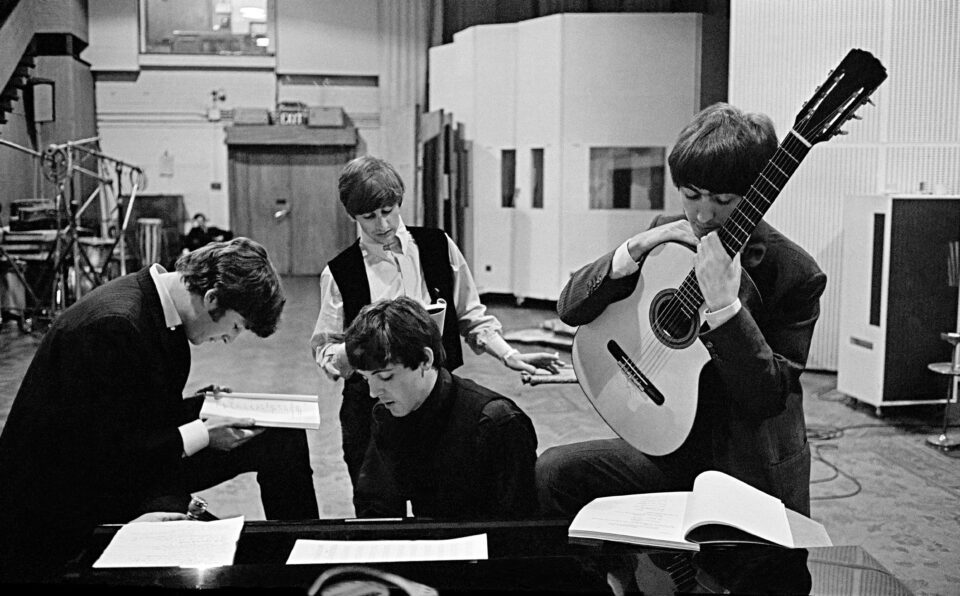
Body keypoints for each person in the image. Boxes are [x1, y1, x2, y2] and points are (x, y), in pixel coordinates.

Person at [536, 103, 827, 518]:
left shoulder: (795, 273)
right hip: (665, 439)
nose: (703, 215)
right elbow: (570, 308)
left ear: (754, 196)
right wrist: (636, 246)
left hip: (744, 462)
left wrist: (725, 308)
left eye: (723, 200)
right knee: (553, 473)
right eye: (691, 195)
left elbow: (765, 398)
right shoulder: (668, 233)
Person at [0, 238, 319, 582]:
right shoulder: (115, 325)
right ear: (212, 298)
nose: (230, 339)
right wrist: (202, 433)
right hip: (71, 497)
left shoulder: (158, 308)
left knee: (279, 437)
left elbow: (134, 410)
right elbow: (106, 454)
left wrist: (200, 406)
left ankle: (307, 559)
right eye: (237, 326)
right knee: (221, 553)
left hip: (123, 460)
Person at [309, 155, 562, 494]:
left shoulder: (437, 246)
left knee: (445, 498)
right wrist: (355, 349)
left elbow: (470, 314)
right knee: (378, 508)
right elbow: (325, 349)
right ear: (352, 215)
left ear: (399, 202)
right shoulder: (340, 272)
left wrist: (509, 355)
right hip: (372, 407)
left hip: (438, 404)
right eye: (368, 217)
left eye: (388, 211)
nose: (382, 224)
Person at [345, 297, 538, 519]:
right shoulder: (387, 414)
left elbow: (521, 525)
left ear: (425, 359)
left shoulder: (497, 422)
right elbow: (376, 503)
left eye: (386, 376)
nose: (373, 392)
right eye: (366, 378)